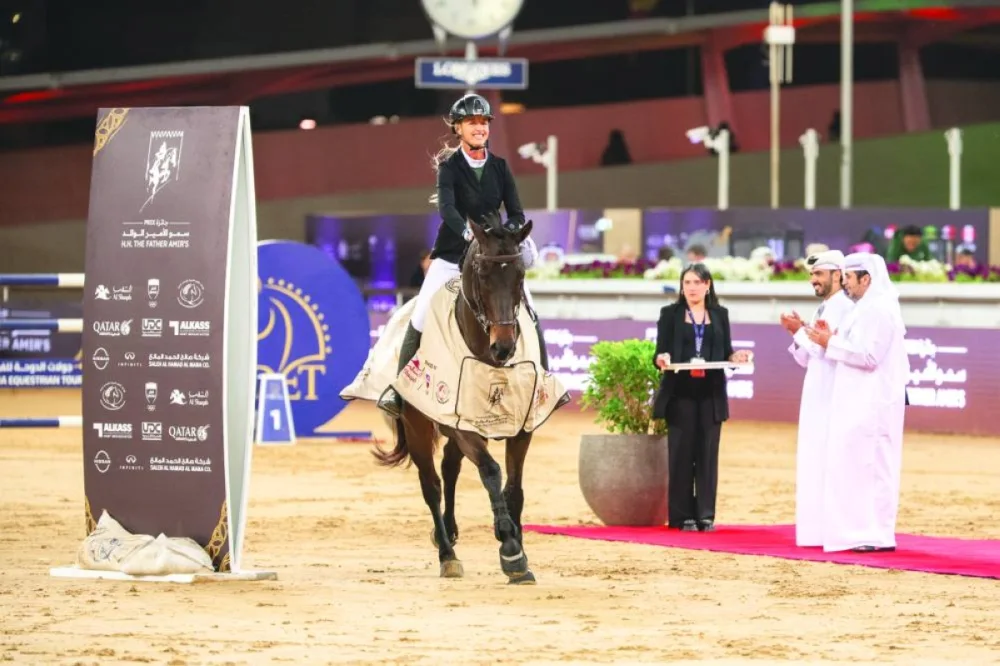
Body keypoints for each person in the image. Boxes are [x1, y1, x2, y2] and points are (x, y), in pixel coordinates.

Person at [377, 93, 544, 418]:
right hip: (454, 252)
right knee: (422, 313)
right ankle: (399, 392)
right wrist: (470, 234)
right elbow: (448, 209)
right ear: (458, 128)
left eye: (483, 122)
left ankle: (544, 385)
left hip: (496, 255)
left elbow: (516, 211)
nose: (479, 128)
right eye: (472, 123)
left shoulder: (499, 166)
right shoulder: (449, 167)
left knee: (532, 310)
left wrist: (505, 234)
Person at [803, 252, 909, 553]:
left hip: (875, 405)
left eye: (849, 277)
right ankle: (859, 532)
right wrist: (830, 337)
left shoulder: (880, 309)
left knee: (874, 467)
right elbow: (852, 347)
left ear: (867, 279)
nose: (845, 283)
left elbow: (869, 356)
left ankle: (877, 535)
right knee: (857, 468)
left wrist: (829, 343)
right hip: (858, 402)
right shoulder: (863, 309)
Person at [652, 263, 753, 532]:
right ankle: (681, 516)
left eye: (697, 282)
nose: (692, 288)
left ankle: (705, 515)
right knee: (681, 455)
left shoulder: (720, 315)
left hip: (711, 395)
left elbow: (726, 352)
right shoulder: (670, 314)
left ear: (708, 285)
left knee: (707, 455)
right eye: (687, 283)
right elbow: (659, 352)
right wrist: (661, 359)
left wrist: (736, 358)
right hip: (680, 393)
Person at [779, 250, 854, 547]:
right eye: (811, 275)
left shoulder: (845, 308)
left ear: (837, 275)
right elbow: (807, 359)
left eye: (819, 274)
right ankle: (814, 531)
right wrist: (797, 334)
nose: (813, 280)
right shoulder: (822, 309)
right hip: (815, 394)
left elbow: (826, 351)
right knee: (812, 462)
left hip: (833, 396)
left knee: (828, 464)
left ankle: (829, 531)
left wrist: (799, 332)